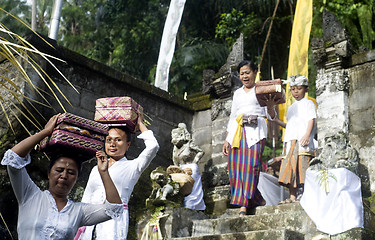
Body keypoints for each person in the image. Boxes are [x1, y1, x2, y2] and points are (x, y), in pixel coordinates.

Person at [1, 114, 123, 240]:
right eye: (59, 170)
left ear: (76, 179)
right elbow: (13, 157)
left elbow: (114, 208)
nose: (64, 176)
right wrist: (45, 132)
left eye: (71, 173)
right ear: (49, 173)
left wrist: (103, 172)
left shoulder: (78, 212)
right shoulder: (29, 195)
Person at [77, 115, 160, 240]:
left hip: (113, 221)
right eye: (109, 140)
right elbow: (86, 197)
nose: (112, 144)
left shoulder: (133, 166)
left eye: (118, 140)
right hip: (90, 220)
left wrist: (140, 124)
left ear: (127, 145)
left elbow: (153, 147)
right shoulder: (96, 168)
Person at [222, 60, 276, 216]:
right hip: (237, 132)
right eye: (242, 73)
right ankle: (256, 200)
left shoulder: (262, 89)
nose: (244, 76)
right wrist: (227, 139)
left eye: (247, 72)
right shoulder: (237, 93)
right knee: (235, 168)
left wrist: (271, 107)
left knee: (251, 167)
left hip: (256, 132)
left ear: (254, 73)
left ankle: (244, 204)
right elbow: (233, 117)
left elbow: (271, 117)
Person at [270, 75, 317, 203]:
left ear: (306, 89)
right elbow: (289, 125)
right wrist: (277, 121)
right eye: (293, 89)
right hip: (290, 140)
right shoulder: (291, 108)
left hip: (302, 140)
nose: (295, 92)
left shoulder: (309, 103)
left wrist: (307, 134)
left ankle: (306, 194)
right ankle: (292, 196)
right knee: (290, 167)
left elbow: (311, 119)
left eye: (299, 89)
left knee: (303, 167)